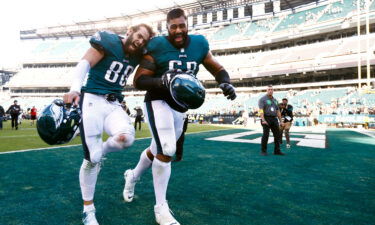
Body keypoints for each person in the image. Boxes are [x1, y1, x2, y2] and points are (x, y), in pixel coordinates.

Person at [122, 8, 237, 225]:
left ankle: (133, 176)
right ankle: (161, 208)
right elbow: (139, 80)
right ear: (167, 28)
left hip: (180, 107)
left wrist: (226, 82)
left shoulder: (199, 44)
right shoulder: (157, 45)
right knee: (167, 150)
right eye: (173, 26)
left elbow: (217, 68)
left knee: (157, 149)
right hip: (158, 101)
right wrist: (161, 81)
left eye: (181, 25)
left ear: (187, 25)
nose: (178, 30)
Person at [63, 24, 154, 225]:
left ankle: (100, 152)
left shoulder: (140, 53)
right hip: (92, 100)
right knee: (91, 159)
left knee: (126, 139)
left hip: (113, 103)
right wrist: (74, 89)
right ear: (130, 31)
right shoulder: (109, 41)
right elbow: (85, 63)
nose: (140, 41)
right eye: (139, 36)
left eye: (144, 40)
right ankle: (89, 210)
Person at [258, 86, 284, 156]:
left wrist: (281, 121)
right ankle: (263, 151)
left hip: (274, 118)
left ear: (273, 91)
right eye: (269, 89)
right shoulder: (262, 99)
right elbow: (261, 110)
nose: (270, 91)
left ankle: (277, 151)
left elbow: (278, 111)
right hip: (266, 118)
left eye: (272, 89)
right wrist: (263, 119)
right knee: (266, 135)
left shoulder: (275, 100)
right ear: (266, 90)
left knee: (277, 135)